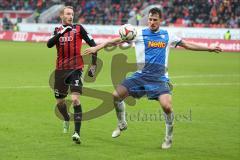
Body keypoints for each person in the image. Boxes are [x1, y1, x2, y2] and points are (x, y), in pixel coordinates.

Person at [84, 7, 222, 149]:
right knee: (116, 96)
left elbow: (187, 45)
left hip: (159, 78)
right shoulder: (138, 34)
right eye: (150, 19)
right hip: (140, 76)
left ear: (160, 20)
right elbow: (114, 41)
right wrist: (97, 48)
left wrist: (209, 48)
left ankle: (168, 137)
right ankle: (122, 123)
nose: (152, 22)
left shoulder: (168, 35)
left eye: (155, 20)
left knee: (167, 107)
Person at [47, 6, 97, 144]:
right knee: (60, 103)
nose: (70, 16)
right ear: (61, 16)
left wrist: (93, 65)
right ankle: (66, 118)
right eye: (68, 14)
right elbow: (49, 44)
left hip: (76, 69)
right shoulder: (57, 30)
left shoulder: (79, 28)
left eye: (72, 14)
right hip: (60, 71)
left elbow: (94, 45)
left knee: (75, 99)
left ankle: (77, 133)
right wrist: (62, 32)